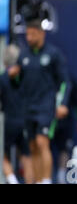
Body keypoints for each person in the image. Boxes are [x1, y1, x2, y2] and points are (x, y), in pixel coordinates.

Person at [13, 19, 72, 184]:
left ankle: (46, 180)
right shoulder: (23, 55)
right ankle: (38, 180)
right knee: (31, 146)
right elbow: (17, 82)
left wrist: (63, 104)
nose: (29, 37)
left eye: (33, 34)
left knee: (42, 142)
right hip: (27, 107)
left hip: (46, 107)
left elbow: (65, 82)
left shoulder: (53, 54)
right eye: (27, 34)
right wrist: (13, 76)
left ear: (41, 33)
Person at [1, 44, 33, 184]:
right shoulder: (27, 77)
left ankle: (13, 181)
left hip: (9, 123)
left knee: (4, 156)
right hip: (26, 122)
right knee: (26, 156)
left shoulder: (2, 79)